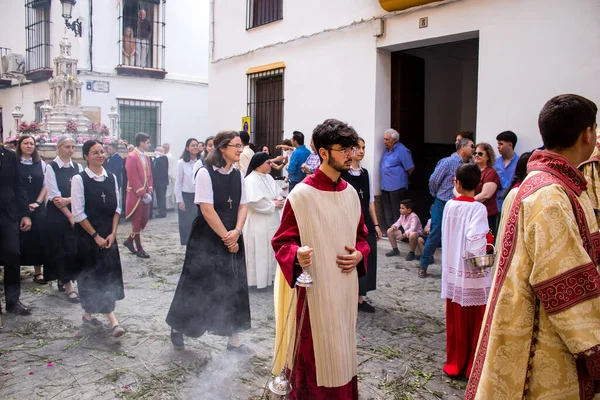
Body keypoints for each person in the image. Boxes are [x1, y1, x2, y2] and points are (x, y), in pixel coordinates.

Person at [466, 94, 600, 399]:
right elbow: (565, 281)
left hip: (517, 320)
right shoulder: (551, 195)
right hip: (541, 341)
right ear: (587, 134)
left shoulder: (531, 184)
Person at [272, 118, 370, 399]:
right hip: (315, 291)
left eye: (351, 149)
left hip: (344, 288)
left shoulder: (351, 193)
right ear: (323, 153)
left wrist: (359, 254)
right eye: (343, 149)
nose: (350, 155)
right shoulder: (301, 195)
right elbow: (282, 242)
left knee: (342, 350)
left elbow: (362, 237)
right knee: (316, 353)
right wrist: (297, 254)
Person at [166, 131, 252, 353]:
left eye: (241, 146)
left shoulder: (239, 175)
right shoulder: (205, 173)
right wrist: (227, 237)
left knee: (234, 285)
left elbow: (243, 205)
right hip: (208, 238)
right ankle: (178, 327)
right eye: (236, 146)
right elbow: (206, 209)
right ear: (222, 148)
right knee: (198, 285)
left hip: (233, 234)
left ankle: (234, 341)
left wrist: (237, 232)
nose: (240, 150)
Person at [71, 140, 125, 338]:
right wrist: (95, 236)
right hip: (87, 236)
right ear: (86, 156)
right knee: (92, 277)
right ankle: (113, 321)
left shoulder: (111, 177)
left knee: (107, 277)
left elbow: (117, 208)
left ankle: (87, 315)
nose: (100, 155)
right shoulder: (79, 179)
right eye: (95, 152)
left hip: (108, 235)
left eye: (102, 151)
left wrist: (112, 233)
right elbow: (78, 212)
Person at [441, 164, 491, 378]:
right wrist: (488, 241)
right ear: (478, 184)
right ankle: (472, 366)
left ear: (457, 183)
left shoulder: (449, 206)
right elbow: (475, 243)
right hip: (472, 275)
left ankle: (454, 363)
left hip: (452, 272)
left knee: (456, 323)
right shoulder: (478, 209)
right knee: (474, 323)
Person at [418, 138, 474, 278]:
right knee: (436, 232)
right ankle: (423, 264)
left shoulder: (471, 165)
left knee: (457, 236)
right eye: (471, 146)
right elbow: (434, 180)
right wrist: (436, 194)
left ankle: (453, 268)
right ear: (462, 148)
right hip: (443, 202)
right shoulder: (448, 162)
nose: (474, 149)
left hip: (460, 205)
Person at [341, 137, 382, 313]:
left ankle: (360, 298)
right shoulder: (343, 173)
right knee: (349, 256)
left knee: (367, 257)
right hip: (348, 220)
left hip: (364, 220)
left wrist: (376, 224)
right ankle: (346, 296)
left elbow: (370, 201)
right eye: (358, 147)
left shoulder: (366, 173)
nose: (362, 151)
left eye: (364, 147)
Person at [44, 134, 83, 302]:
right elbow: (54, 196)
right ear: (58, 148)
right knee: (62, 249)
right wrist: (69, 215)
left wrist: (69, 201)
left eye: (73, 147)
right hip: (58, 215)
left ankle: (66, 278)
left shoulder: (78, 168)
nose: (71, 150)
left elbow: (81, 193)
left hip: (74, 211)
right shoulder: (51, 167)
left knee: (73, 249)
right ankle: (68, 286)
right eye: (67, 147)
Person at [243, 152, 284, 289]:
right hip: (258, 222)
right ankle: (256, 281)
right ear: (259, 164)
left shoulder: (268, 178)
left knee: (270, 250)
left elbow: (278, 193)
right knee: (259, 250)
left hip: (271, 220)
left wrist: (278, 200)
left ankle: (271, 278)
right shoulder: (251, 180)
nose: (271, 165)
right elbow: (253, 202)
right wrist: (273, 205)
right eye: (268, 163)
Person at [0, 143, 32, 315]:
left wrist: (25, 214)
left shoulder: (10, 156)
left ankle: (13, 301)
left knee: (12, 255)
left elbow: (19, 186)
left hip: (8, 213)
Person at [17, 135, 47, 284]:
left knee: (38, 238)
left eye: (31, 143)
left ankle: (38, 272)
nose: (29, 146)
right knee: (18, 239)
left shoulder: (40, 163)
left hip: (37, 206)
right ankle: (15, 269)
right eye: (26, 143)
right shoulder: (14, 163)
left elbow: (45, 185)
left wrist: (37, 202)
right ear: (20, 145)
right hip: (18, 206)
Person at [123, 133, 153, 259]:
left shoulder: (146, 157)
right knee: (137, 221)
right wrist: (142, 193)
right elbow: (132, 177)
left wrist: (150, 190)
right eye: (147, 142)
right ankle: (139, 248)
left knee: (144, 220)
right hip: (136, 194)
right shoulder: (132, 156)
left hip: (145, 193)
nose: (149, 145)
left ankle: (129, 241)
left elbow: (150, 175)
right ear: (141, 143)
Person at [380, 128, 415, 231]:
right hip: (385, 185)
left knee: (397, 210)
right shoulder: (386, 150)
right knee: (387, 209)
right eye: (384, 139)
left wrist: (402, 178)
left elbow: (410, 168)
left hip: (397, 185)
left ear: (394, 140)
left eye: (387, 139)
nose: (384, 142)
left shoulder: (402, 150)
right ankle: (390, 229)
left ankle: (398, 231)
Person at [472, 142, 501, 237]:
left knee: (486, 243)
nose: (476, 155)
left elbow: (485, 195)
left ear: (488, 157)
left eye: (480, 154)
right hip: (472, 213)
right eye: (475, 153)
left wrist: (467, 201)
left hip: (487, 215)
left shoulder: (491, 173)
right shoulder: (470, 170)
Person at [176, 138, 201, 245]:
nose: (195, 147)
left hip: (198, 195)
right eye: (192, 145)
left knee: (197, 220)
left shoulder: (201, 162)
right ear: (187, 148)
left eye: (196, 145)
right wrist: (180, 200)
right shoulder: (181, 163)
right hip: (186, 195)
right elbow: (178, 182)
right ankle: (187, 243)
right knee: (186, 222)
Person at [493, 130, 519, 212]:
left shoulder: (519, 163)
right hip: (495, 204)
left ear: (510, 145)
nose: (498, 146)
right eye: (498, 144)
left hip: (512, 204)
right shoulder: (494, 163)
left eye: (501, 144)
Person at [152, 146, 168, 218]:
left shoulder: (164, 158)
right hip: (156, 181)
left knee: (161, 197)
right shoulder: (156, 159)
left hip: (162, 182)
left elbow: (162, 167)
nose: (155, 151)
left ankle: (162, 212)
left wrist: (158, 157)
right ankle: (160, 211)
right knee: (158, 197)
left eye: (157, 150)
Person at [163, 142, 177, 210]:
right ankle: (168, 206)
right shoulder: (166, 156)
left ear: (166, 148)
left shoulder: (169, 157)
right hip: (168, 175)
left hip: (169, 176)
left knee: (169, 192)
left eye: (163, 148)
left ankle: (169, 207)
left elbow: (170, 167)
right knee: (168, 192)